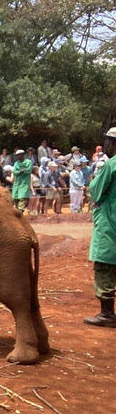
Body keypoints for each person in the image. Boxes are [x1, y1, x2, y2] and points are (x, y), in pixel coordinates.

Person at [84, 128, 116, 327]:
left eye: (108, 142)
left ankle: (106, 314)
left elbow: (96, 190)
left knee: (105, 265)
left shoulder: (111, 165)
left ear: (112, 143)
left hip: (110, 223)